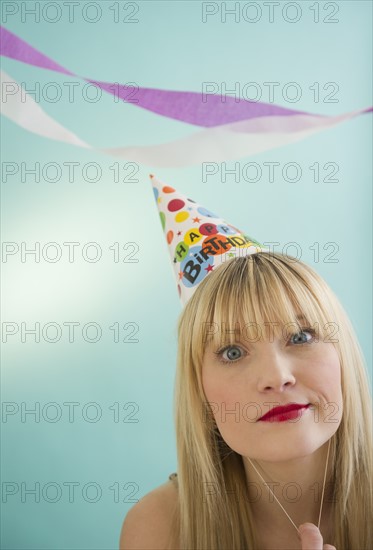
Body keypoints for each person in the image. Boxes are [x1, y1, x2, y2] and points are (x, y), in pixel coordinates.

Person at [119, 178, 372, 549]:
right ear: (199, 388)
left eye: (300, 337)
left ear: (342, 355)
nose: (276, 377)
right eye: (232, 352)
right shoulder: (159, 528)